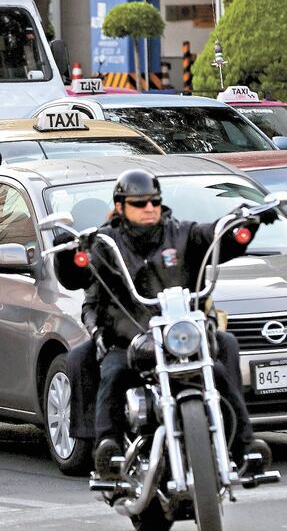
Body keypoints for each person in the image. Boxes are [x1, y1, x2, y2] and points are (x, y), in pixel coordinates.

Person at [55, 169, 274, 479]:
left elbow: (216, 238)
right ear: (120, 206)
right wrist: (67, 255)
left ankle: (244, 446)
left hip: (181, 335)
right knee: (114, 373)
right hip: (130, 339)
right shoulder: (105, 243)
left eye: (154, 202)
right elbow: (79, 275)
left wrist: (246, 223)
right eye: (140, 203)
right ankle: (109, 448)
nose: (149, 209)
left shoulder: (183, 233)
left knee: (221, 362)